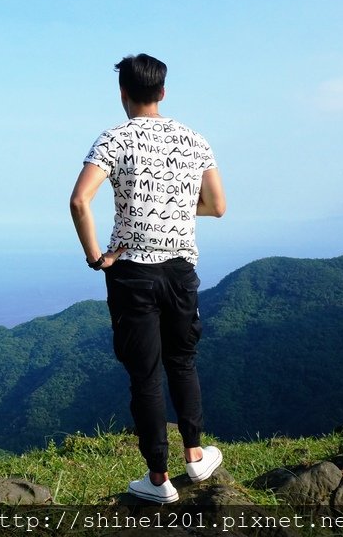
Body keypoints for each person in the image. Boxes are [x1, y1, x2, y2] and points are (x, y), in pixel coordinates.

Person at [69, 53, 226, 504]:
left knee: (145, 375)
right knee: (183, 362)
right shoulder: (195, 141)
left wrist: (97, 257)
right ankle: (195, 457)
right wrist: (176, 209)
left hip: (131, 272)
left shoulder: (113, 139)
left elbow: (80, 202)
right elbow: (216, 206)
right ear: (162, 91)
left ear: (123, 94)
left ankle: (158, 480)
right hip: (180, 270)